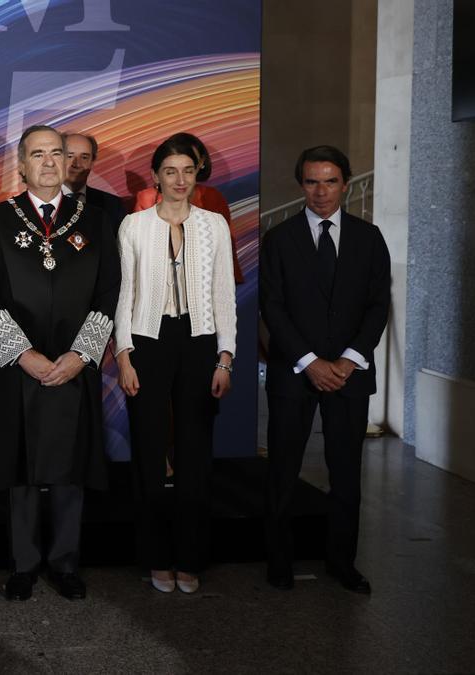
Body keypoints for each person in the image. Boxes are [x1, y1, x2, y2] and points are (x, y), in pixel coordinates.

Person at [0, 125, 120, 601]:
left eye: (57, 153)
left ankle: (65, 562)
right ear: (21, 164)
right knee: (21, 470)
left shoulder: (95, 219)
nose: (50, 162)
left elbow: (109, 291)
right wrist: (23, 354)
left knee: (69, 468)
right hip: (18, 367)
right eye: (38, 154)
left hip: (75, 365)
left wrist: (82, 354)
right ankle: (23, 564)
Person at [260, 146, 390, 595]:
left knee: (346, 474)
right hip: (294, 373)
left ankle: (342, 563)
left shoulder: (369, 238)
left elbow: (378, 307)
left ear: (346, 184)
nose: (321, 191)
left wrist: (348, 361)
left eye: (330, 181)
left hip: (349, 376)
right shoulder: (278, 239)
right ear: (301, 186)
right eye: (312, 182)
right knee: (281, 471)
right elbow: (272, 308)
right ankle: (279, 561)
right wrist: (310, 362)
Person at [114, 137, 236, 594]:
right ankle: (154, 559)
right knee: (148, 456)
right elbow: (123, 296)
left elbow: (224, 295)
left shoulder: (215, 226)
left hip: (200, 343)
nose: (180, 180)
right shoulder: (133, 226)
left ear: (197, 173)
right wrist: (123, 355)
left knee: (194, 455)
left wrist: (226, 358)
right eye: (171, 171)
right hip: (147, 342)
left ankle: (190, 558)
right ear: (157, 176)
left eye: (188, 170)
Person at [132, 132, 243, 283]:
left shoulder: (212, 198)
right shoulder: (147, 199)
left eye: (188, 166)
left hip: (204, 282)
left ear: (200, 163)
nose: (181, 177)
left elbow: (224, 248)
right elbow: (138, 252)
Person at [62, 132, 125, 232]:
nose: (77, 164)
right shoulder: (41, 202)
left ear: (92, 161)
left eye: (84, 157)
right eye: (69, 156)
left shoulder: (113, 205)